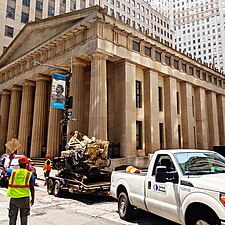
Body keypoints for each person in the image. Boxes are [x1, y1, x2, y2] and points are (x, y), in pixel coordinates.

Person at [6, 155, 35, 225]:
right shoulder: (29, 174)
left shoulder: (13, 172)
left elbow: (6, 168)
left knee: (12, 218)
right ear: (26, 164)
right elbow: (32, 188)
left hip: (14, 198)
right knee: (24, 217)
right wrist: (33, 199)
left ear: (18, 164)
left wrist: (10, 160)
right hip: (25, 198)